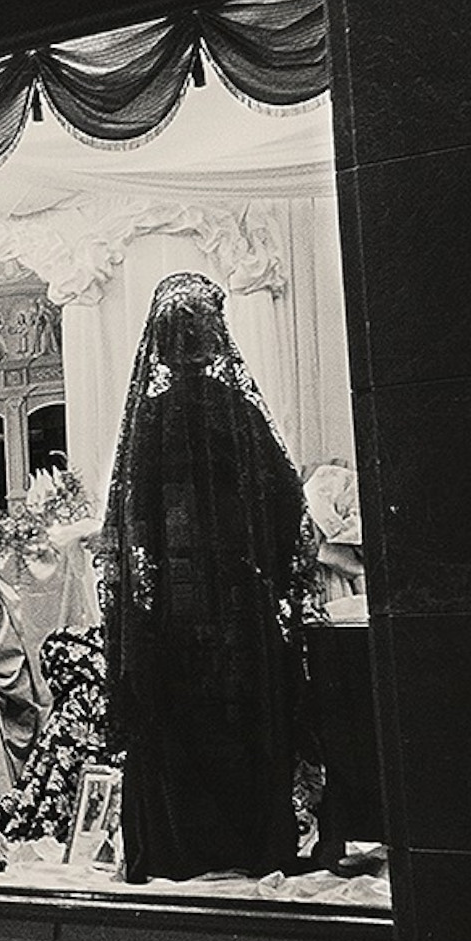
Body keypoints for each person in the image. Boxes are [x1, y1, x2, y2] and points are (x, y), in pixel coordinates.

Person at [99, 271, 317, 883]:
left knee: (178, 711)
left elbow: (130, 520)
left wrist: (150, 589)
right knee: (240, 711)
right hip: (237, 596)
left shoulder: (150, 417)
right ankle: (250, 841)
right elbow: (286, 499)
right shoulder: (237, 410)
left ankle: (179, 845)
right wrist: (263, 562)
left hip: (174, 603)